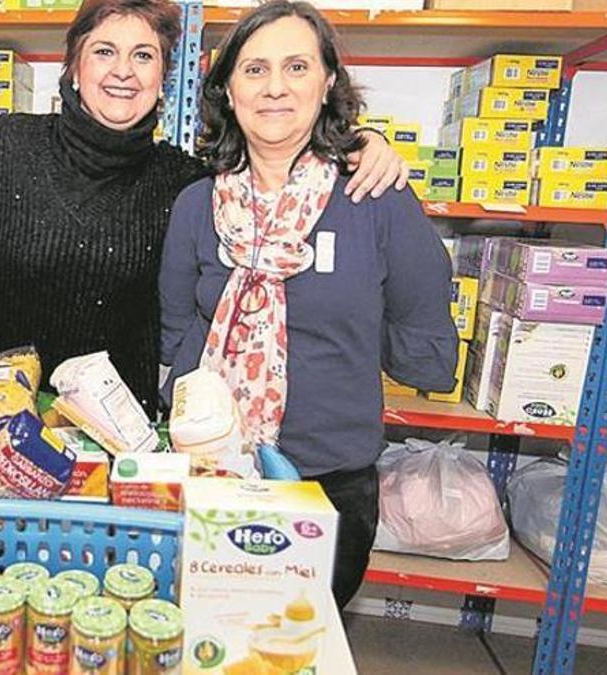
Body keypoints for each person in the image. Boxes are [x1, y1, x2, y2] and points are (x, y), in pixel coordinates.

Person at [0, 0, 409, 412]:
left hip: (103, 436)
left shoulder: (188, 183)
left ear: (166, 77)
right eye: (105, 51)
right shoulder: (8, 145)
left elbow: (280, 172)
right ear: (75, 66)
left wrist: (360, 146)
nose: (124, 71)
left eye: (144, 56)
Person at [159, 0, 458, 609]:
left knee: (299, 639)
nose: (274, 88)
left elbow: (421, 321)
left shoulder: (374, 195)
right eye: (254, 69)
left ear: (327, 84)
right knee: (205, 633)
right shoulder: (195, 204)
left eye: (297, 68)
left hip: (329, 484)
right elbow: (175, 330)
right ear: (227, 89)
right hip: (210, 471)